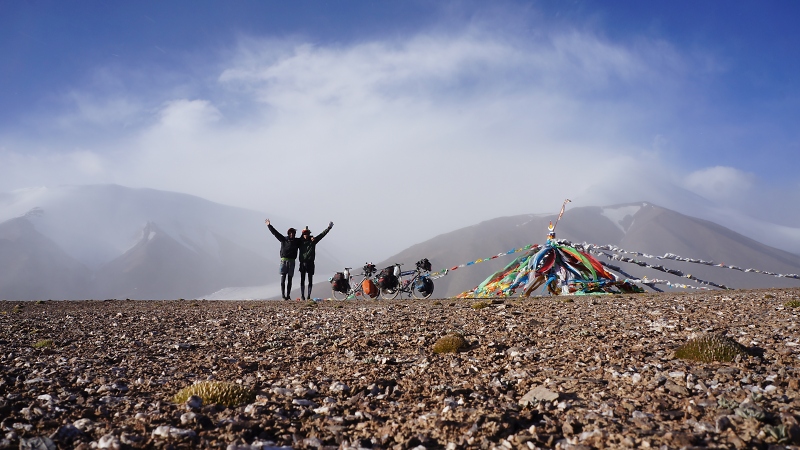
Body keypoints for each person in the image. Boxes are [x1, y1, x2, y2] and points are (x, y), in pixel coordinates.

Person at [265, 219, 302, 300]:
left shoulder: (297, 241)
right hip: (283, 261)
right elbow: (275, 233)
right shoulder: (283, 239)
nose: (292, 234)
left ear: (295, 234)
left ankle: (288, 295)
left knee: (289, 279)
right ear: (288, 234)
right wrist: (269, 225)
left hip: (292, 261)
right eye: (290, 233)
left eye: (293, 233)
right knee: (283, 279)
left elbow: (305, 238)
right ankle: (283, 295)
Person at [298, 222, 334, 300]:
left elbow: (322, 235)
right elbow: (291, 240)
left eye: (307, 233)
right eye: (304, 233)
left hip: (310, 262)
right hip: (302, 263)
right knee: (302, 280)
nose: (306, 235)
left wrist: (328, 228)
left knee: (310, 280)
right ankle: (302, 295)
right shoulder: (299, 241)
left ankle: (308, 296)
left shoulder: (313, 241)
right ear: (302, 234)